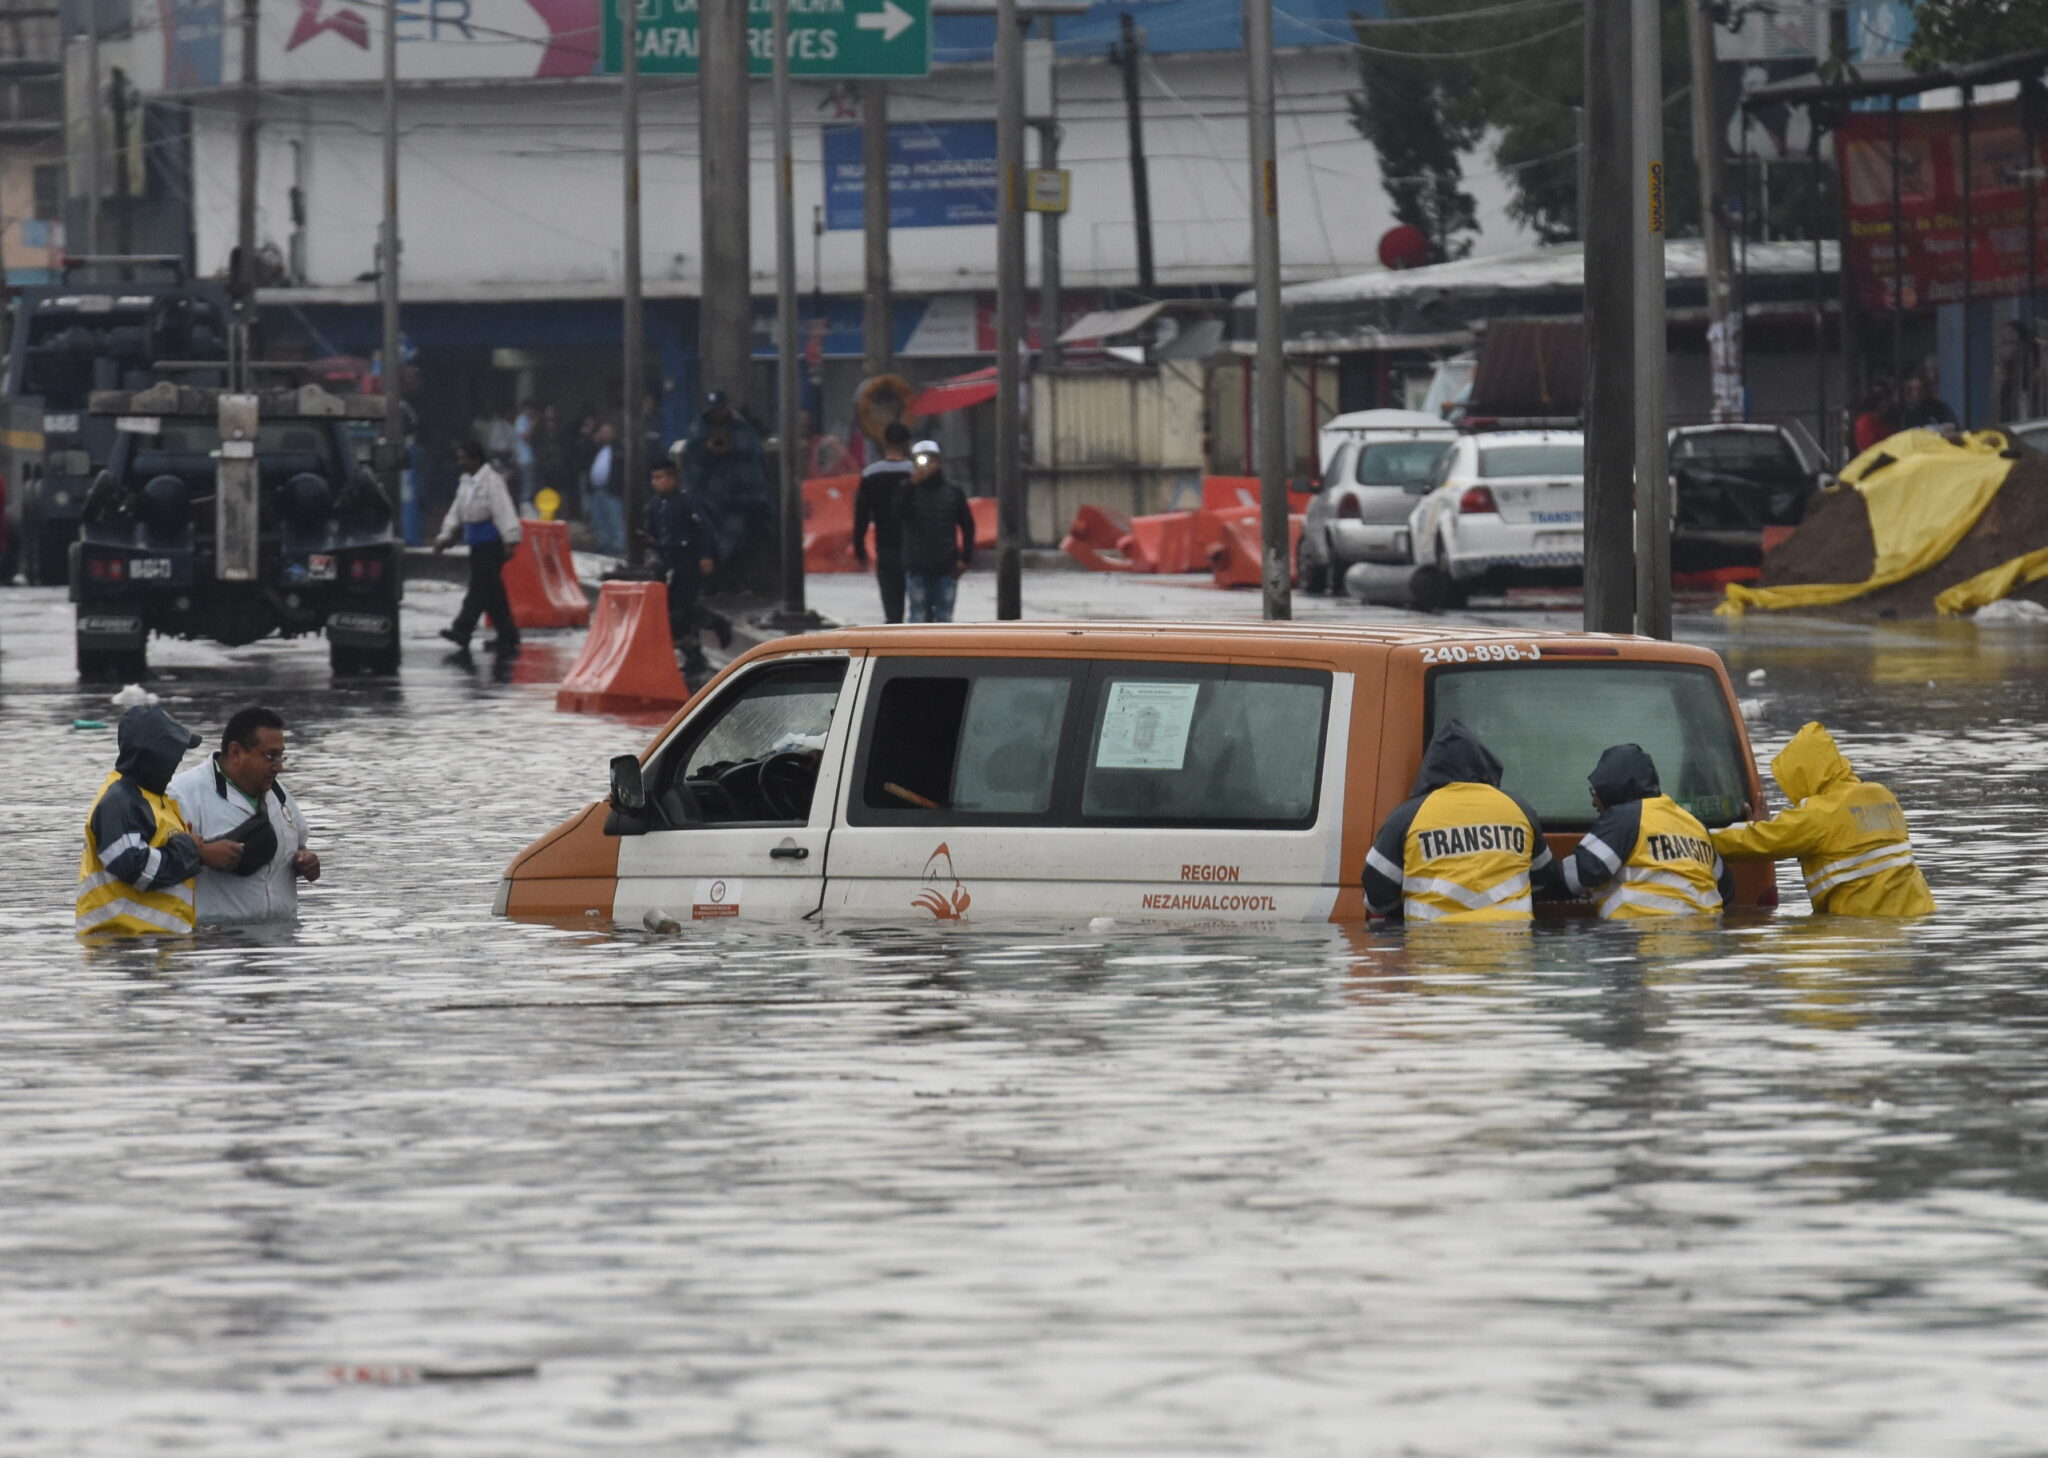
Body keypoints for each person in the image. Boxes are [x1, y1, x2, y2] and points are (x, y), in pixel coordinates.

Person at [1711, 721, 1933, 916]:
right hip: (1917, 914)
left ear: (1804, 774)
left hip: (1864, 925)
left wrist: (1697, 836)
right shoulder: (1882, 795)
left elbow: (1756, 840)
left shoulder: (1821, 814)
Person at [1362, 720, 1560, 924]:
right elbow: (1545, 878)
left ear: (1430, 767)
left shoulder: (1407, 816)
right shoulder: (1518, 809)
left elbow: (1377, 894)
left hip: (1431, 939)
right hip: (1511, 937)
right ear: (1483, 762)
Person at [77, 705, 242, 936]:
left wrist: (194, 849)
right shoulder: (120, 801)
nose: (178, 759)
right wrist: (192, 850)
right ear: (153, 755)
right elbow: (133, 868)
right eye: (173, 752)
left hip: (157, 941)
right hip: (123, 944)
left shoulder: (155, 799)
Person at [168, 706, 320, 924]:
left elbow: (300, 844)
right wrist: (202, 854)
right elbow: (156, 862)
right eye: (271, 756)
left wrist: (306, 861)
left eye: (281, 756)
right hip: (215, 938)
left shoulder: (280, 795)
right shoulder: (183, 794)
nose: (279, 768)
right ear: (236, 752)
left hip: (283, 937)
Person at [1561, 744, 1732, 919]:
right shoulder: (1694, 824)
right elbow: (1725, 889)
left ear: (1612, 789)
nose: (1594, 801)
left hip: (1643, 930)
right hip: (1704, 930)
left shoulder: (1624, 818)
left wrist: (1544, 877)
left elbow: (1584, 871)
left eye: (1596, 792)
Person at [434, 438, 523, 656]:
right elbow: (456, 511)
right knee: (493, 593)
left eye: (463, 458)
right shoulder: (466, 483)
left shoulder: (492, 481)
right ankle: (508, 635)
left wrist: (510, 539)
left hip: (492, 544)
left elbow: (503, 510)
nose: (460, 462)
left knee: (479, 589)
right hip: (476, 544)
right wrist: (445, 535)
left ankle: (462, 629)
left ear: (475, 459)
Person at [642, 460, 733, 676]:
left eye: (659, 478)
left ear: (672, 479)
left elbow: (704, 530)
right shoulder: (656, 505)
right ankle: (694, 653)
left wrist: (705, 555)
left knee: (682, 610)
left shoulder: (687, 502)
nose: (655, 482)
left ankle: (714, 625)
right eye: (653, 478)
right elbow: (653, 533)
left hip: (687, 561)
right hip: (668, 563)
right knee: (674, 611)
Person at [680, 390, 771, 567]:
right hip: (708, 495)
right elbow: (692, 461)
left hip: (740, 496)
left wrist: (732, 449)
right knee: (707, 531)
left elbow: (753, 458)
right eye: (713, 411)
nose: (717, 415)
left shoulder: (742, 429)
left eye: (720, 410)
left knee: (740, 534)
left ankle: (733, 568)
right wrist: (707, 450)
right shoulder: (698, 429)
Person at [897, 439, 975, 624]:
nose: (927, 465)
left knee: (944, 618)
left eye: (931, 460)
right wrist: (911, 486)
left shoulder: (953, 491)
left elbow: (967, 525)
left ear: (939, 462)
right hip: (917, 565)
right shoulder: (906, 489)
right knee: (918, 616)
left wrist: (965, 558)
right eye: (921, 460)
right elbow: (898, 514)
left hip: (946, 566)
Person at [854, 422, 915, 622]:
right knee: (919, 609)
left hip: (885, 547)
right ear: (907, 444)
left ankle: (894, 636)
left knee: (892, 610)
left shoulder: (870, 474)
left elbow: (861, 514)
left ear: (885, 443)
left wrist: (859, 547)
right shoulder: (916, 473)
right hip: (915, 548)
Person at [585, 421, 625, 556]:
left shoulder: (618, 448)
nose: (604, 434)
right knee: (599, 519)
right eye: (602, 432)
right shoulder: (595, 448)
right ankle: (603, 544)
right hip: (596, 490)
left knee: (614, 518)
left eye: (607, 432)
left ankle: (618, 546)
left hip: (611, 490)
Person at [1852, 381, 1895, 454]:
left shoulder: (1885, 423)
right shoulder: (1865, 423)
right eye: (1885, 400)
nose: (1888, 404)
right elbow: (1868, 449)